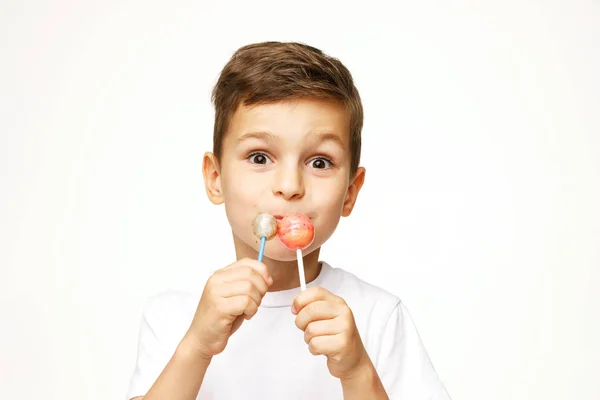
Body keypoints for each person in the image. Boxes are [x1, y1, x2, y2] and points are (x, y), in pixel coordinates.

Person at [127, 41, 451, 400]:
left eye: (319, 162)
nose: (289, 186)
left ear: (350, 192)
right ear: (215, 178)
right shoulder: (174, 317)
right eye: (260, 157)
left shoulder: (378, 316)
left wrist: (358, 371)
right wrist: (196, 348)